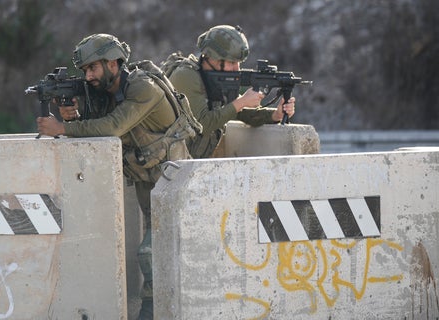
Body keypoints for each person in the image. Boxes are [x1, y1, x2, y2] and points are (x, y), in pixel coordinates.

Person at [37, 33, 193, 320]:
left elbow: (112, 126)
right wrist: (71, 117)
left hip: (178, 187)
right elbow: (96, 129)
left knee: (151, 253)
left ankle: (151, 312)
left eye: (93, 68)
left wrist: (62, 128)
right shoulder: (109, 93)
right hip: (151, 187)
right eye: (84, 70)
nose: (88, 76)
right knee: (158, 256)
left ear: (113, 63)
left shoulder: (143, 88)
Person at [165, 25, 296, 159]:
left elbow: (237, 112)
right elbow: (202, 125)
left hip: (187, 161)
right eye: (232, 62)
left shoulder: (213, 76)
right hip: (168, 165)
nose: (236, 69)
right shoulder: (186, 76)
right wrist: (242, 102)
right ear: (214, 58)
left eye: (238, 63)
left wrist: (275, 115)